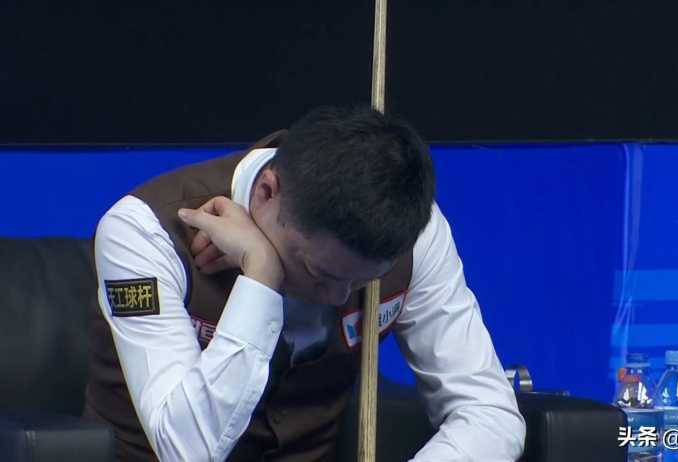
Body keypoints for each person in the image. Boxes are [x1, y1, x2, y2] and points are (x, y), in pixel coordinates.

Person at [84, 106, 525, 461]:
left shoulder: (414, 234)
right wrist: (261, 277)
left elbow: (489, 413)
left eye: (363, 282)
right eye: (320, 274)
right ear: (266, 193)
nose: (339, 297)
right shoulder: (144, 232)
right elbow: (186, 450)